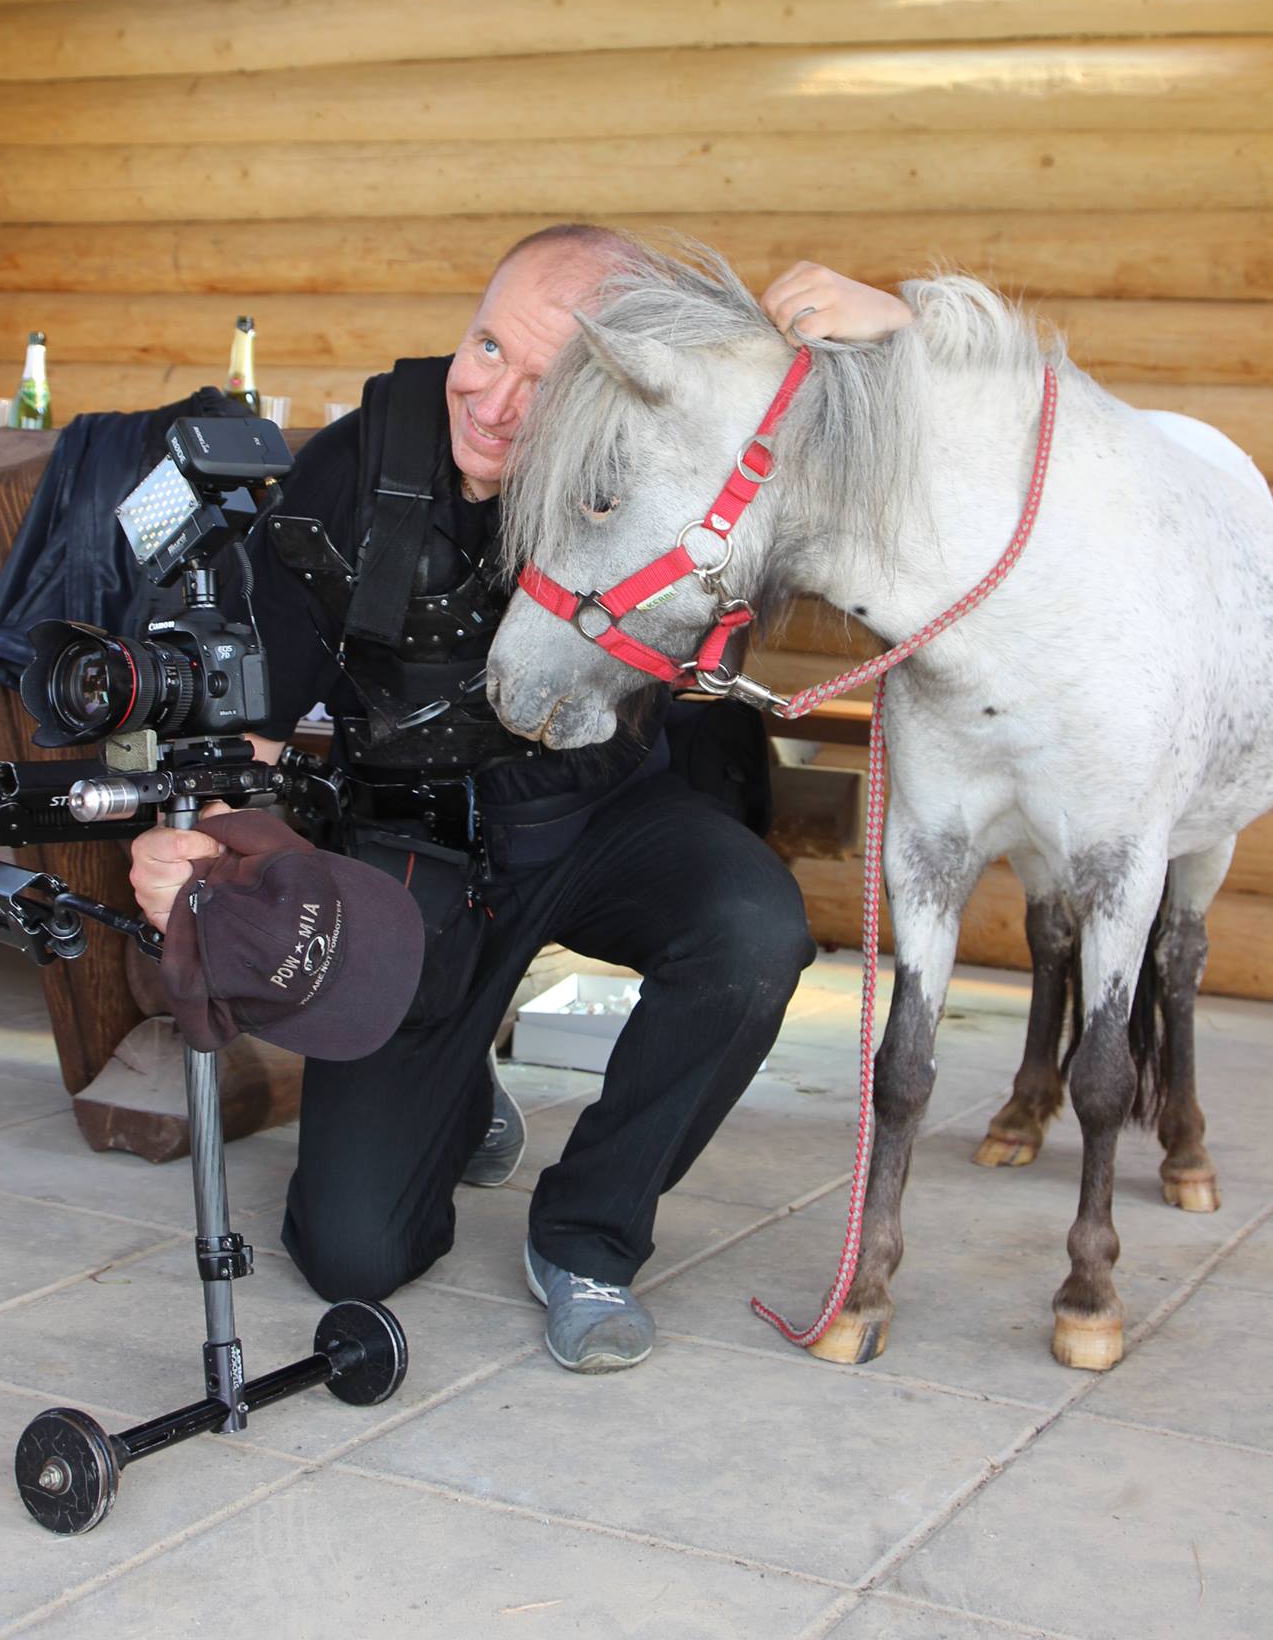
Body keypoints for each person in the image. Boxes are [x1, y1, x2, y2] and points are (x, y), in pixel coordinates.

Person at [129, 232, 911, 1374]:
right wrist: (193, 839)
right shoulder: (358, 467)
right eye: (487, 346)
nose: (493, 403)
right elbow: (252, 714)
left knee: (753, 929)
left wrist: (904, 335)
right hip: (412, 850)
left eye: (544, 380)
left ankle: (588, 1234)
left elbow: (877, 460)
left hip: (601, 815)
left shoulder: (666, 460)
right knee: (351, 1254)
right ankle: (458, 1088)